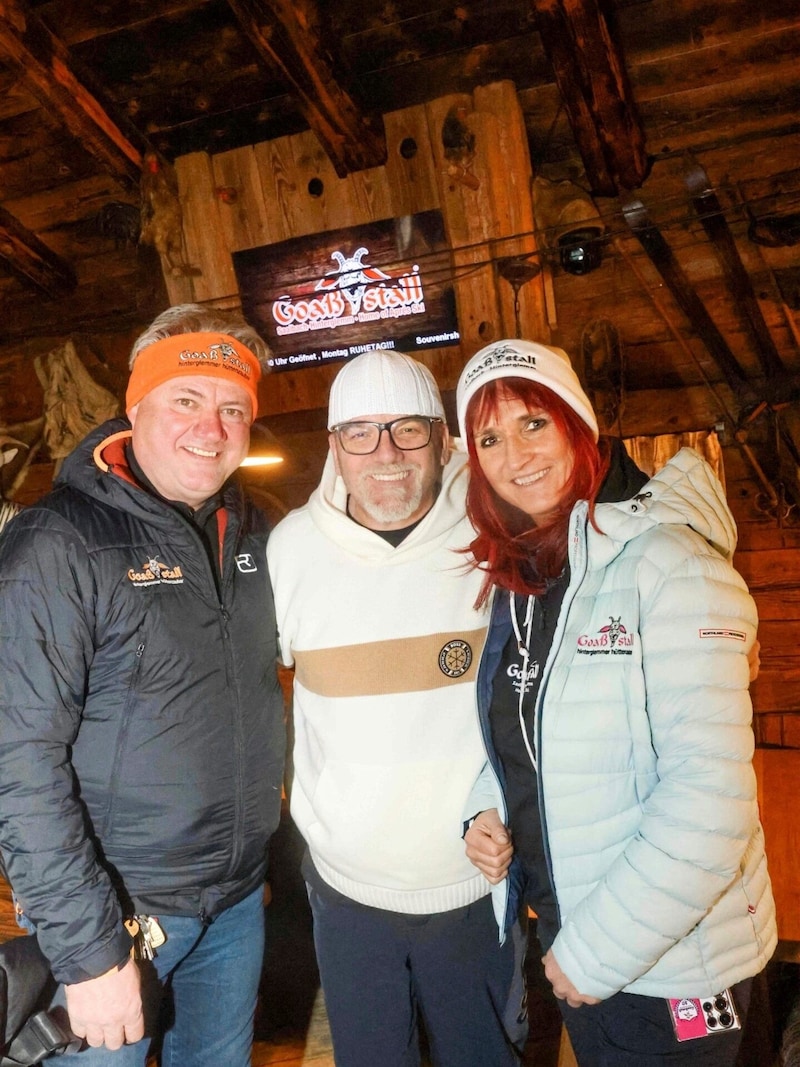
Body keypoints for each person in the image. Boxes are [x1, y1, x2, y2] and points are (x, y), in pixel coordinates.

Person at [457, 338, 777, 1066]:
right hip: (575, 935)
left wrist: (598, 952)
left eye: (534, 422)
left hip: (668, 965)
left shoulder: (673, 565)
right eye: (489, 437)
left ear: (578, 420)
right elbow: (527, 729)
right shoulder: (531, 577)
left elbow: (710, 797)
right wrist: (486, 809)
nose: (516, 454)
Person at [0, 304, 286, 1066]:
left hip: (233, 908)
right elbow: (18, 760)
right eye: (186, 401)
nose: (212, 427)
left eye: (233, 408)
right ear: (135, 409)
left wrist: (249, 863)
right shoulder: (58, 542)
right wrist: (88, 951)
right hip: (115, 915)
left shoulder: (254, 533)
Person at [266, 349, 527, 1067]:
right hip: (349, 893)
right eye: (360, 432)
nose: (385, 453)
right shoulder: (291, 552)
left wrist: (507, 805)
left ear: (443, 438)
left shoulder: (497, 536)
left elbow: (539, 697)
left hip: (475, 884)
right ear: (333, 447)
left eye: (407, 429)